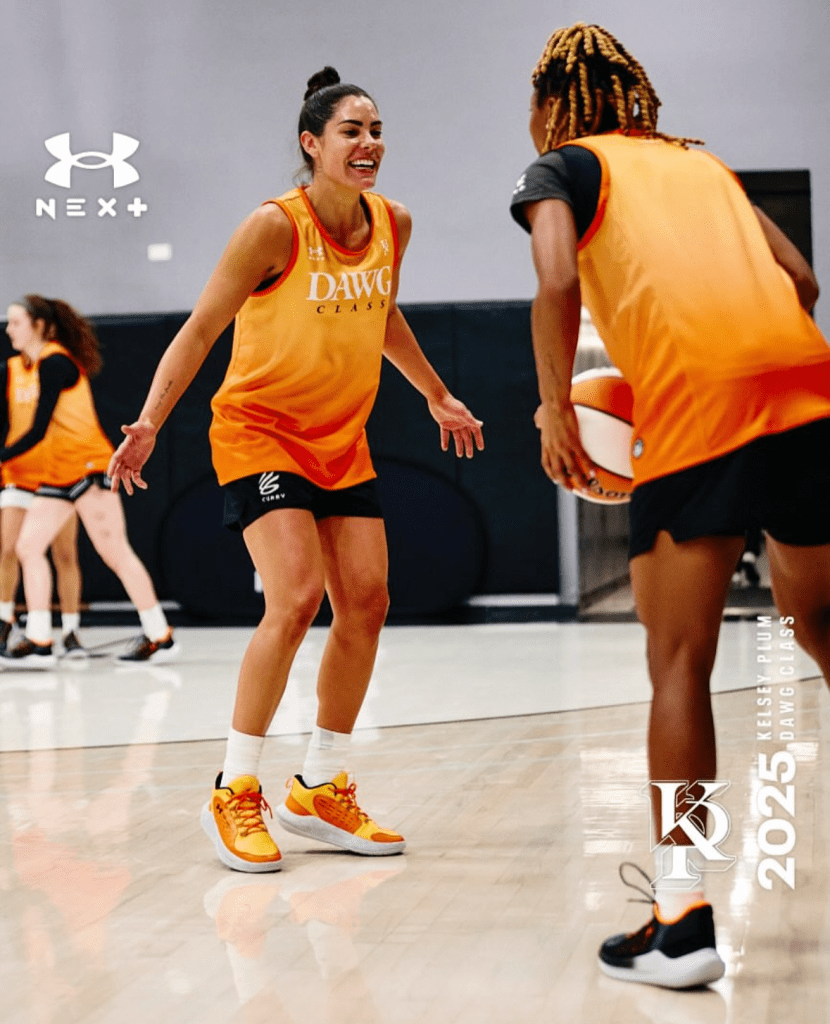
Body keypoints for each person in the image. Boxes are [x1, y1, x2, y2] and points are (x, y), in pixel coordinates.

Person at [510, 22, 830, 989]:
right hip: (805, 388)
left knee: (679, 662)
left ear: (547, 106)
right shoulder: (704, 166)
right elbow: (804, 281)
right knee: (818, 616)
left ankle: (682, 918)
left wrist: (556, 408)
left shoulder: (559, 170)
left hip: (699, 403)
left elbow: (558, 279)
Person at [108, 67, 484, 874]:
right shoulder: (272, 228)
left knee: (369, 602)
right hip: (258, 432)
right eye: (351, 131)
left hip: (340, 439)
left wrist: (439, 396)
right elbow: (203, 326)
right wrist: (148, 421)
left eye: (375, 129)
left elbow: (381, 314)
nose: (369, 143)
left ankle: (318, 784)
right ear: (312, 144)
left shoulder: (394, 224)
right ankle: (234, 788)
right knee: (297, 595)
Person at [2, 295, 178, 669]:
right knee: (28, 547)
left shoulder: (55, 363)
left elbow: (37, 430)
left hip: (88, 469)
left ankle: (159, 635)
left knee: (115, 553)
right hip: (59, 472)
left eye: (16, 322)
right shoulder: (29, 367)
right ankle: (40, 639)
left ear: (40, 326)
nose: (9, 329)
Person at [0, 345, 87, 657]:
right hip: (18, 472)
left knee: (65, 553)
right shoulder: (10, 369)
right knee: (8, 548)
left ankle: (70, 630)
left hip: (57, 472)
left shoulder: (61, 366)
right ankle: (5, 619)